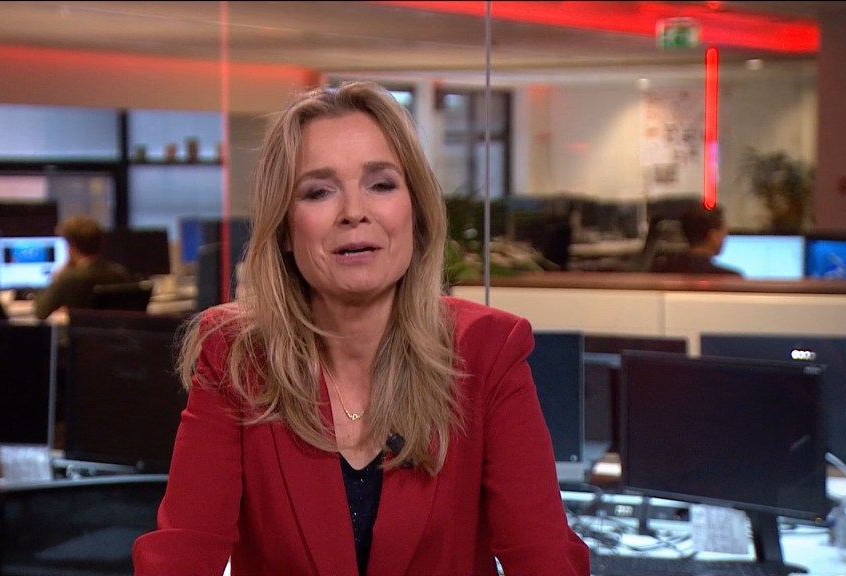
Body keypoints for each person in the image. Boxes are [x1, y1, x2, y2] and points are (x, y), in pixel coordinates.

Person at [132, 81, 590, 576]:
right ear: (285, 229)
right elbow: (182, 552)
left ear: (415, 212)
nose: (354, 212)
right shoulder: (236, 354)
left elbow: (544, 558)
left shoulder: (487, 351)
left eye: (381, 185)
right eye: (319, 191)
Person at [33, 215, 132, 319]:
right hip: (113, 329)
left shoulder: (69, 278)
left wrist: (54, 279)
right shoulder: (119, 273)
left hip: (79, 330)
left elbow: (41, 312)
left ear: (72, 246)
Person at [650, 203, 744, 276]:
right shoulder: (729, 279)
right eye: (724, 234)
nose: (725, 238)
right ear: (714, 236)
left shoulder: (660, 269)